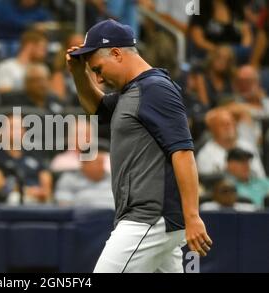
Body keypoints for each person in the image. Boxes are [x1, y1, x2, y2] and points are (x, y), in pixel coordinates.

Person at [67, 19, 212, 273]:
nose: (98, 79)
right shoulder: (133, 91)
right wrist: (80, 72)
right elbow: (96, 108)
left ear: (116, 53)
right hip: (153, 219)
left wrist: (192, 216)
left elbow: (183, 153)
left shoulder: (155, 89)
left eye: (99, 69)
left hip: (150, 218)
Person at [0, 114, 52, 205]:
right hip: (9, 202)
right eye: (12, 127)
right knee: (14, 197)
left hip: (39, 198)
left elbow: (45, 174)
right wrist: (28, 192)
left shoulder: (33, 152)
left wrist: (45, 191)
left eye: (21, 127)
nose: (18, 131)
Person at [196, 108, 265, 178]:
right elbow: (209, 185)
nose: (228, 126)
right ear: (212, 129)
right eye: (222, 124)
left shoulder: (248, 146)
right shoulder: (205, 155)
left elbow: (261, 176)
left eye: (230, 122)